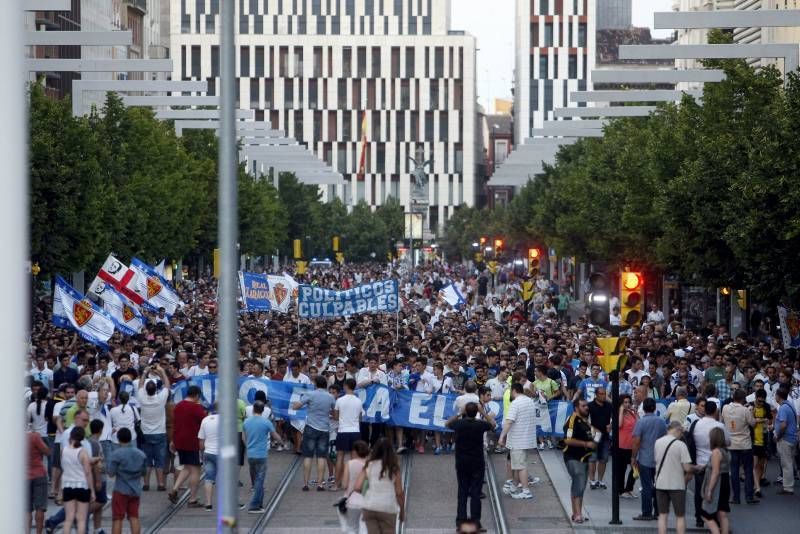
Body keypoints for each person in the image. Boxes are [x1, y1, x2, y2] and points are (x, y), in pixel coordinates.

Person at [446, 401, 496, 531]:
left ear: (466, 412)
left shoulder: (459, 424)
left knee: (462, 491)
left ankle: (460, 522)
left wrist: (460, 413)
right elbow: (493, 424)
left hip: (462, 462)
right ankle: (475, 522)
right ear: (476, 413)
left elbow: (447, 423)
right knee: (475, 493)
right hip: (477, 462)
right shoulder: (480, 424)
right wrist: (483, 412)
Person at [292, 375, 336, 491]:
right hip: (324, 429)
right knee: (321, 457)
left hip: (311, 427)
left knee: (308, 456)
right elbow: (335, 414)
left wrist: (294, 403)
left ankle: (306, 484)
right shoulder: (330, 397)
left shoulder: (310, 394)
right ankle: (320, 484)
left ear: (316, 384)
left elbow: (296, 406)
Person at [353, 438, 405, 534]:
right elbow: (399, 493)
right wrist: (402, 511)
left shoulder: (369, 465)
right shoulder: (394, 467)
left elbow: (357, 487)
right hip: (387, 507)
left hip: (370, 507)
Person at [654, 421, 695, 534]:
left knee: (662, 515)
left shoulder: (657, 442)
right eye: (681, 432)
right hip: (677, 484)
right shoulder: (681, 445)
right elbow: (687, 468)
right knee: (680, 516)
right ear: (677, 430)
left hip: (661, 483)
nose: (682, 435)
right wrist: (695, 468)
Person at [691, 401, 728, 529]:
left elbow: (693, 442)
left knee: (699, 493)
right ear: (715, 411)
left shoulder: (697, 424)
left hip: (701, 462)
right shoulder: (720, 426)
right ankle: (715, 519)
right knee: (716, 495)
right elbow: (728, 442)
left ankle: (699, 518)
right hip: (716, 464)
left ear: (704, 410)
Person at [242, 401, 283, 512]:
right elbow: (275, 436)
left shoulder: (246, 422)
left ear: (254, 409)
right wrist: (281, 442)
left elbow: (243, 438)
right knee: (260, 480)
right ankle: (254, 505)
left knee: (256, 479)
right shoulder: (266, 422)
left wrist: (248, 447)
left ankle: (259, 504)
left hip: (250, 454)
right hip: (261, 454)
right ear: (263, 410)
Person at [498, 382, 537, 500]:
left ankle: (526, 490)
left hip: (518, 439)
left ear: (514, 390)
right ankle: (514, 486)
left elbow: (509, 421)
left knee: (520, 466)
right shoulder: (530, 401)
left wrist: (501, 437)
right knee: (517, 464)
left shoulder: (515, 403)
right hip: (527, 438)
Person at [169, 385, 206, 506]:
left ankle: (175, 489)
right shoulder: (196, 408)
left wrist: (173, 440)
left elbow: (175, 423)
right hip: (191, 442)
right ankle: (192, 499)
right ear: (196, 395)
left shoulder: (178, 406)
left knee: (186, 467)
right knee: (196, 470)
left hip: (179, 440)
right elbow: (204, 421)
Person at [631, 397, 667, 521]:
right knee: (658, 485)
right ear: (655, 408)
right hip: (659, 458)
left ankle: (646, 512)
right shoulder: (662, 422)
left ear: (644, 408)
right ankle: (658, 511)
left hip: (645, 459)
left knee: (646, 486)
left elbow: (636, 442)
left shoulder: (641, 422)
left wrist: (633, 457)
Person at [136, 363, 170, 491]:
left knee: (147, 460)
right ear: (156, 389)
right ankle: (161, 484)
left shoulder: (142, 398)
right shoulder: (161, 398)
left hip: (146, 433)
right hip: (160, 433)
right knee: (160, 460)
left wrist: (145, 373)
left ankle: (146, 484)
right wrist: (161, 372)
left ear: (146, 389)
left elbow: (140, 385)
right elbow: (167, 385)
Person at [720, 388, 757, 504]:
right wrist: (751, 411)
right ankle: (749, 496)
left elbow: (722, 421)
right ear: (743, 399)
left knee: (734, 471)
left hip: (731, 444)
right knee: (748, 470)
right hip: (745, 444)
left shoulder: (725, 408)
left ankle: (736, 497)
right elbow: (753, 423)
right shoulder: (745, 410)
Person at [107, 427, 147, 534]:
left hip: (121, 489)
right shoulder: (141, 454)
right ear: (130, 438)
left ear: (118, 439)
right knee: (134, 516)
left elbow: (111, 473)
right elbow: (144, 472)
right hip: (135, 490)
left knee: (117, 518)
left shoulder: (116, 454)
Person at [562, 398, 595, 524]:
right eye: (583, 406)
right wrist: (586, 443)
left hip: (584, 458)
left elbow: (591, 435)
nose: (586, 407)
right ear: (576, 407)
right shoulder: (572, 420)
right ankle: (577, 514)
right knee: (578, 485)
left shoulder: (585, 420)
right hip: (573, 458)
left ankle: (577, 513)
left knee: (580, 486)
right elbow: (567, 440)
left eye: (586, 405)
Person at [61, 426, 95, 534]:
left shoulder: (63, 450)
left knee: (68, 518)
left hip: (67, 485)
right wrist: (92, 490)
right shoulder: (83, 452)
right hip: (82, 486)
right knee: (81, 519)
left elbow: (62, 468)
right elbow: (88, 472)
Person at [334, 378, 363, 490]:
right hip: (355, 431)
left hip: (343, 431)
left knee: (340, 457)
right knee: (354, 459)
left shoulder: (340, 400)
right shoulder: (358, 401)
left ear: (345, 386)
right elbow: (360, 418)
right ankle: (353, 484)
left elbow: (336, 417)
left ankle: (337, 484)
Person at [700, 428, 731, 534]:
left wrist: (709, 490)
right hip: (725, 481)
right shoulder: (725, 451)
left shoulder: (716, 452)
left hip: (718, 484)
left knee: (705, 514)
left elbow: (715, 472)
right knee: (722, 513)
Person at [337, 440, 370, 534]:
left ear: (355, 451)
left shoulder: (349, 463)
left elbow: (344, 485)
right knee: (364, 528)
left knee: (351, 528)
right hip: (368, 500)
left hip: (351, 500)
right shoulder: (370, 464)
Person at [774, 385, 797, 495]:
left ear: (778, 396)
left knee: (786, 463)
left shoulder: (783, 408)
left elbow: (783, 425)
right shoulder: (790, 405)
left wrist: (778, 436)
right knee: (790, 462)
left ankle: (788, 487)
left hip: (785, 439)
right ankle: (789, 485)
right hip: (792, 437)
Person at [587, 386, 612, 490]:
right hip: (593, 436)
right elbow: (584, 419)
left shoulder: (609, 406)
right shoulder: (590, 406)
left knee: (603, 459)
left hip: (605, 436)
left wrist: (610, 425)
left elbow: (613, 418)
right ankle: (592, 480)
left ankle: (600, 480)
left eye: (604, 394)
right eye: (601, 394)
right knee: (592, 459)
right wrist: (592, 428)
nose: (603, 396)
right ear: (596, 395)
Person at [27, 429, 50, 534]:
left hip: (23, 476)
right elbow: (47, 451)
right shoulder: (34, 436)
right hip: (39, 474)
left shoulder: (14, 437)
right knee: (40, 508)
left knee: (26, 509)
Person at [198, 402, 220, 511]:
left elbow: (201, 440)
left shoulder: (205, 420)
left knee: (208, 478)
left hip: (208, 452)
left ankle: (208, 504)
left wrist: (202, 454)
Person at [616, 394, 638, 499]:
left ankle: (629, 488)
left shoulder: (631, 412)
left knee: (635, 468)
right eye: (625, 402)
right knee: (621, 469)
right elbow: (619, 425)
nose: (627, 404)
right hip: (622, 445)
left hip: (633, 445)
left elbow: (639, 423)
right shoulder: (618, 413)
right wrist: (621, 410)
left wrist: (635, 412)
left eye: (628, 402)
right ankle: (620, 490)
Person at [750, 389, 772, 498]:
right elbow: (750, 421)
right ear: (755, 398)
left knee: (761, 465)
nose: (761, 403)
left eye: (763, 401)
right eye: (759, 401)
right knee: (755, 465)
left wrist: (768, 423)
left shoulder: (767, 407)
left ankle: (757, 482)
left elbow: (770, 419)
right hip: (753, 439)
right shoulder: (750, 406)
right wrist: (761, 420)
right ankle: (757, 487)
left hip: (764, 438)